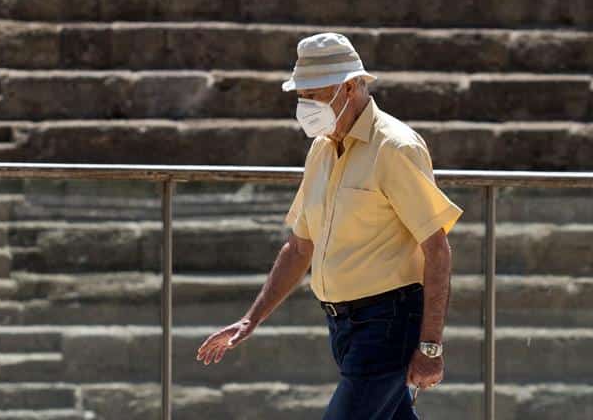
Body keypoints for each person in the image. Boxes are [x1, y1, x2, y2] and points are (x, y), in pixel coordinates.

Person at [195, 32, 463, 419]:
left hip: (387, 324)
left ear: (351, 87)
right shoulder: (321, 149)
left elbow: (437, 249)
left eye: (316, 95)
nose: (307, 106)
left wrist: (431, 346)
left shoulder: (395, 147)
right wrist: (250, 320)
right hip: (342, 328)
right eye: (302, 96)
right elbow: (300, 247)